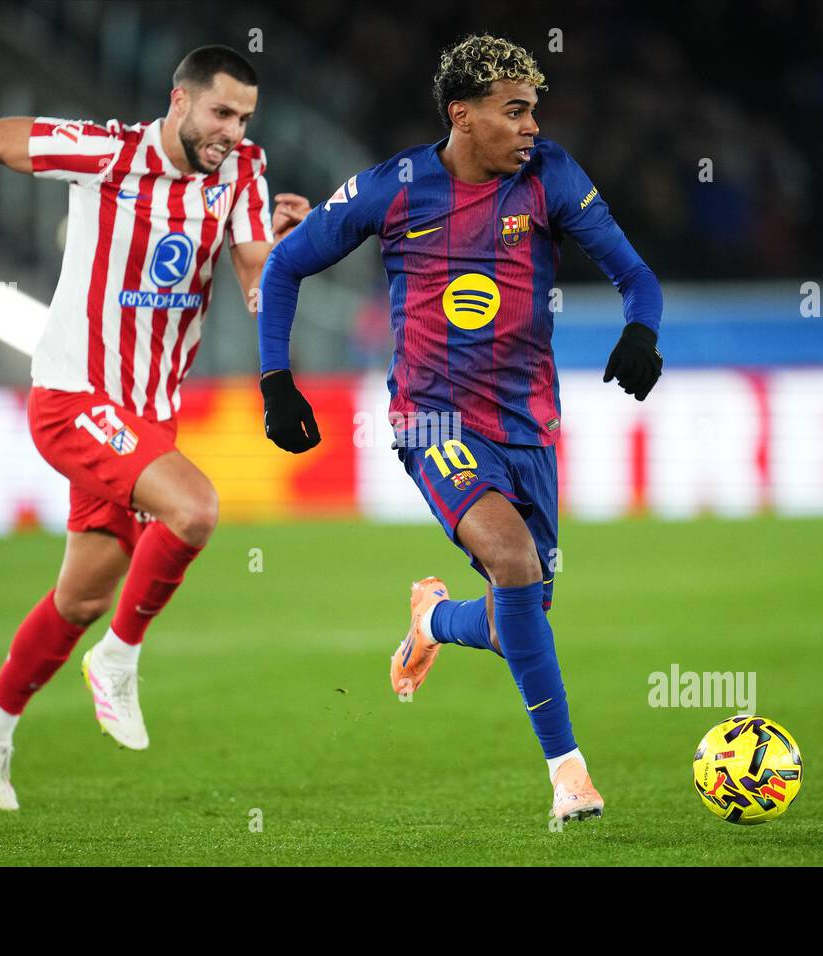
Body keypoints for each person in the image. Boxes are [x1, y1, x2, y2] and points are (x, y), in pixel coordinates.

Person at [0, 45, 310, 811]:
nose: (232, 131)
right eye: (221, 112)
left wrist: (286, 255)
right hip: (75, 399)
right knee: (196, 508)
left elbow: (253, 281)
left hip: (147, 419)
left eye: (244, 118)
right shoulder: (107, 151)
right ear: (178, 102)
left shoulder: (243, 172)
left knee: (79, 599)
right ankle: (119, 658)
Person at [255, 34, 662, 821]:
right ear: (463, 115)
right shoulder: (394, 188)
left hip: (529, 424)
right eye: (515, 111)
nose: (532, 126)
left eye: (534, 110)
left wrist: (640, 330)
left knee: (522, 621)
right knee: (511, 561)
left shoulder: (552, 177)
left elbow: (634, 274)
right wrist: (277, 380)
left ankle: (433, 620)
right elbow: (284, 265)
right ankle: (569, 778)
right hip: (432, 415)